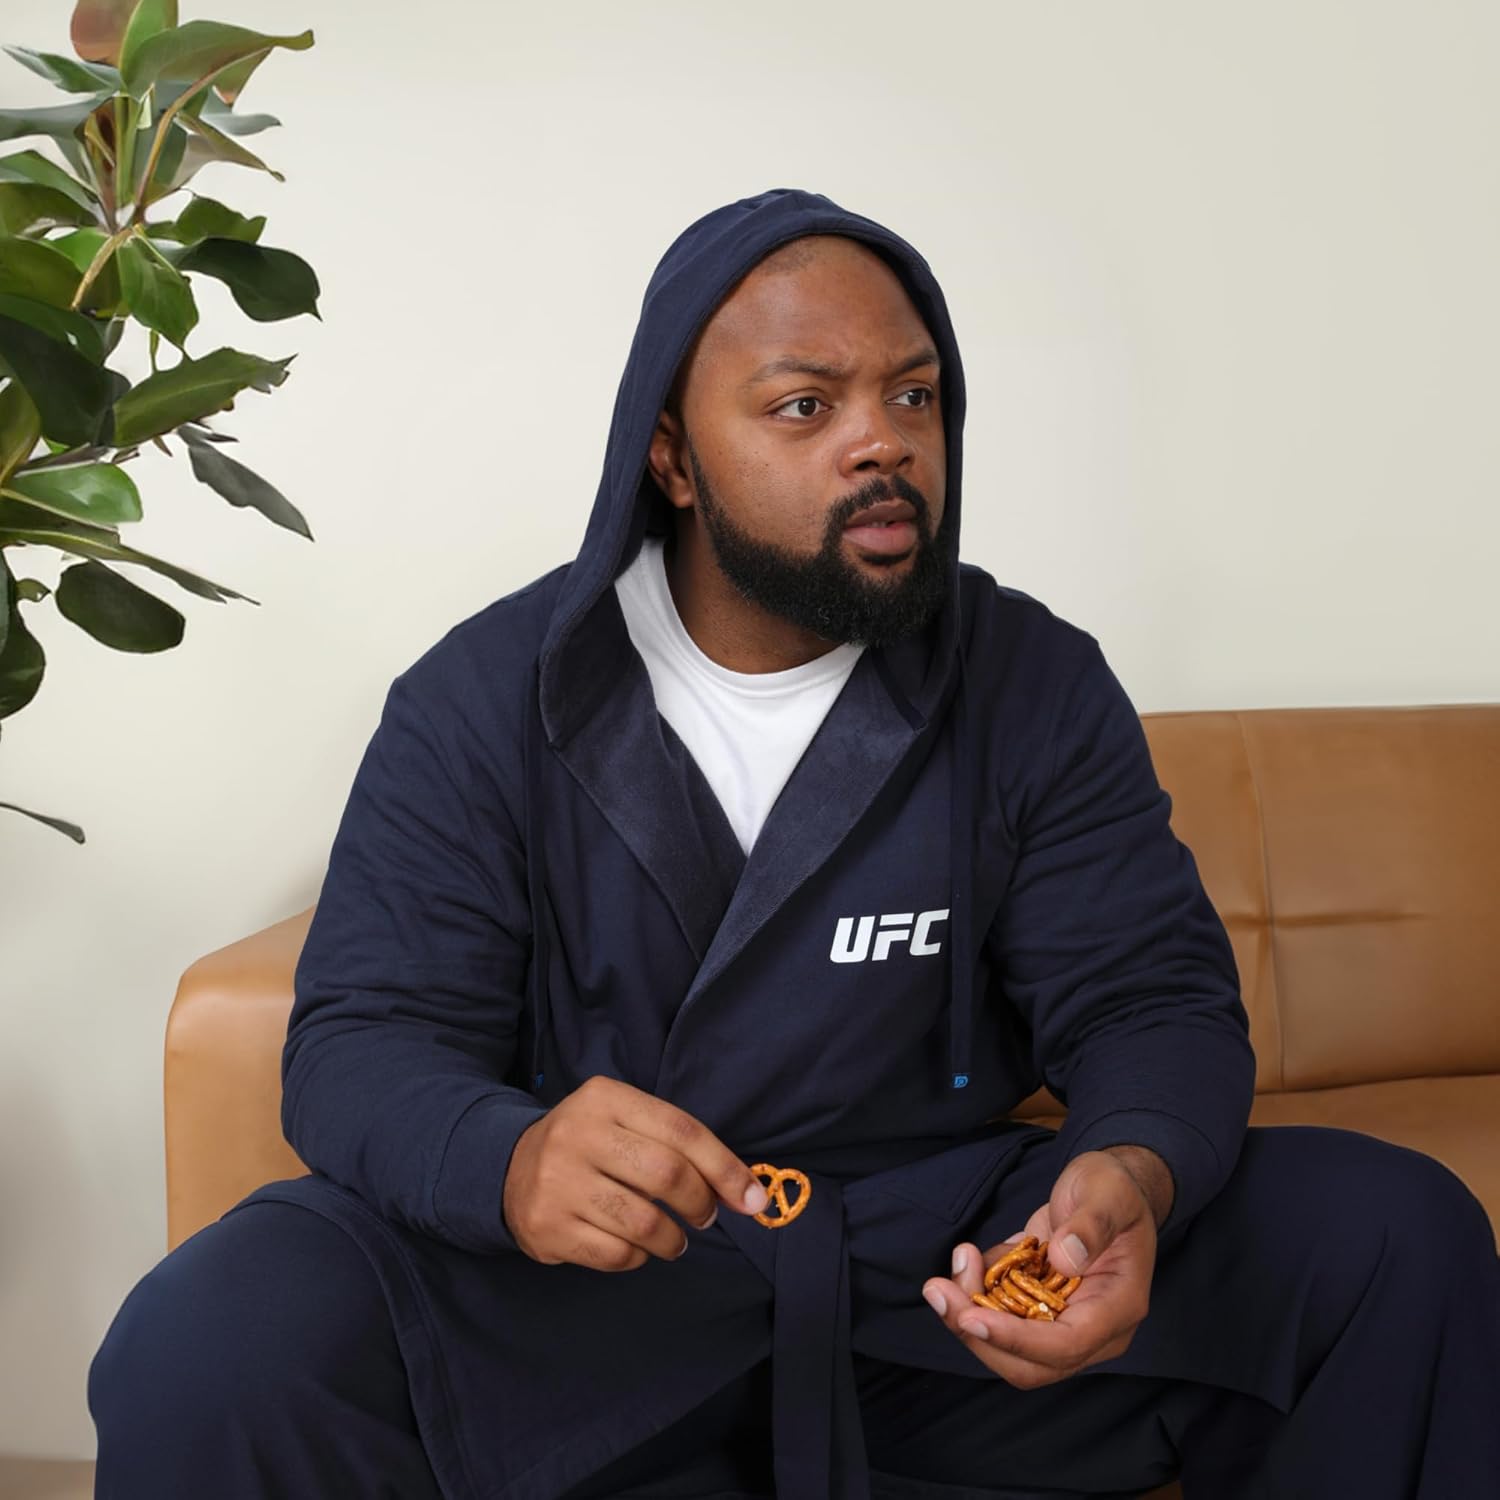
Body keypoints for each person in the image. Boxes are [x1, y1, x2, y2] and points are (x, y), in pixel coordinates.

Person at [89, 187, 1500, 1500]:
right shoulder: (484, 697)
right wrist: (507, 1161)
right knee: (211, 1340)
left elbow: (1151, 1002)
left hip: (928, 1274)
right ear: (671, 455)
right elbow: (361, 1043)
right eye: (805, 405)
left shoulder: (1030, 678)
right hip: (589, 1294)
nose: (882, 442)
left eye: (913, 395)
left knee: (1392, 1235)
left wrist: (1126, 1176)